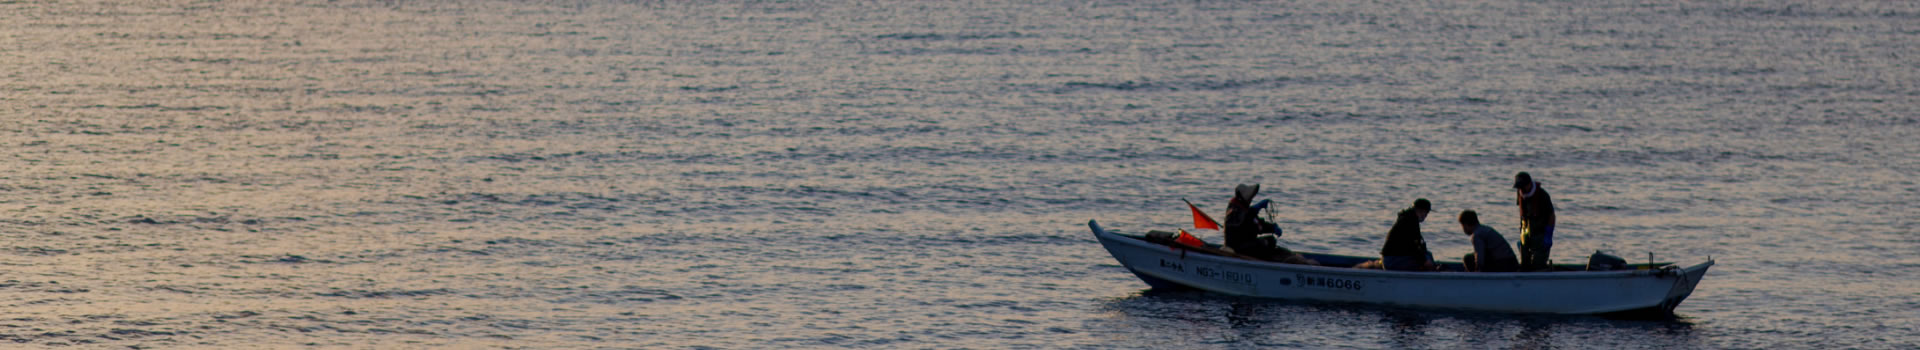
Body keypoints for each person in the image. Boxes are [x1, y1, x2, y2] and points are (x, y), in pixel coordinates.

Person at [1514, 172, 1556, 271]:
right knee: (1524, 266)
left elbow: (1551, 215)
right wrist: (1522, 233)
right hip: (1526, 233)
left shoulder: (1542, 195)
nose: (1521, 190)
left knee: (1538, 265)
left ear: (1529, 184)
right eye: (1519, 188)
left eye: (1523, 187)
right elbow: (1522, 214)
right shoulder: (1520, 193)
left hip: (1540, 234)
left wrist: (1549, 234)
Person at [1379, 198, 1435, 271]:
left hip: (1392, 259)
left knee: (1428, 255)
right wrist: (1425, 262)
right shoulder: (1410, 222)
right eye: (1426, 212)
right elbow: (1414, 247)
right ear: (1420, 211)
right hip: (1391, 261)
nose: (1426, 215)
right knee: (1425, 261)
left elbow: (1417, 247)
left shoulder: (1409, 218)